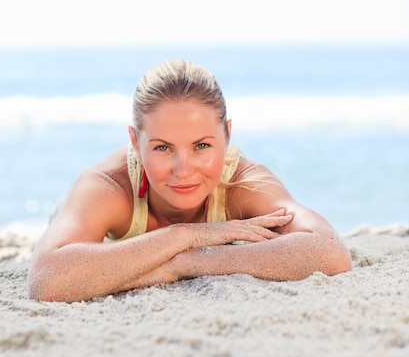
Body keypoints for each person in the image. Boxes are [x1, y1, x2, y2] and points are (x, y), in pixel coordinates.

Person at [28, 59, 351, 302]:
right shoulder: (111, 185)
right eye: (163, 148)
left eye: (202, 146)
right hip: (74, 214)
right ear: (135, 143)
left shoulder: (241, 181)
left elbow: (329, 250)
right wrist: (184, 235)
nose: (184, 169)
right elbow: (47, 278)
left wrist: (186, 263)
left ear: (227, 136)